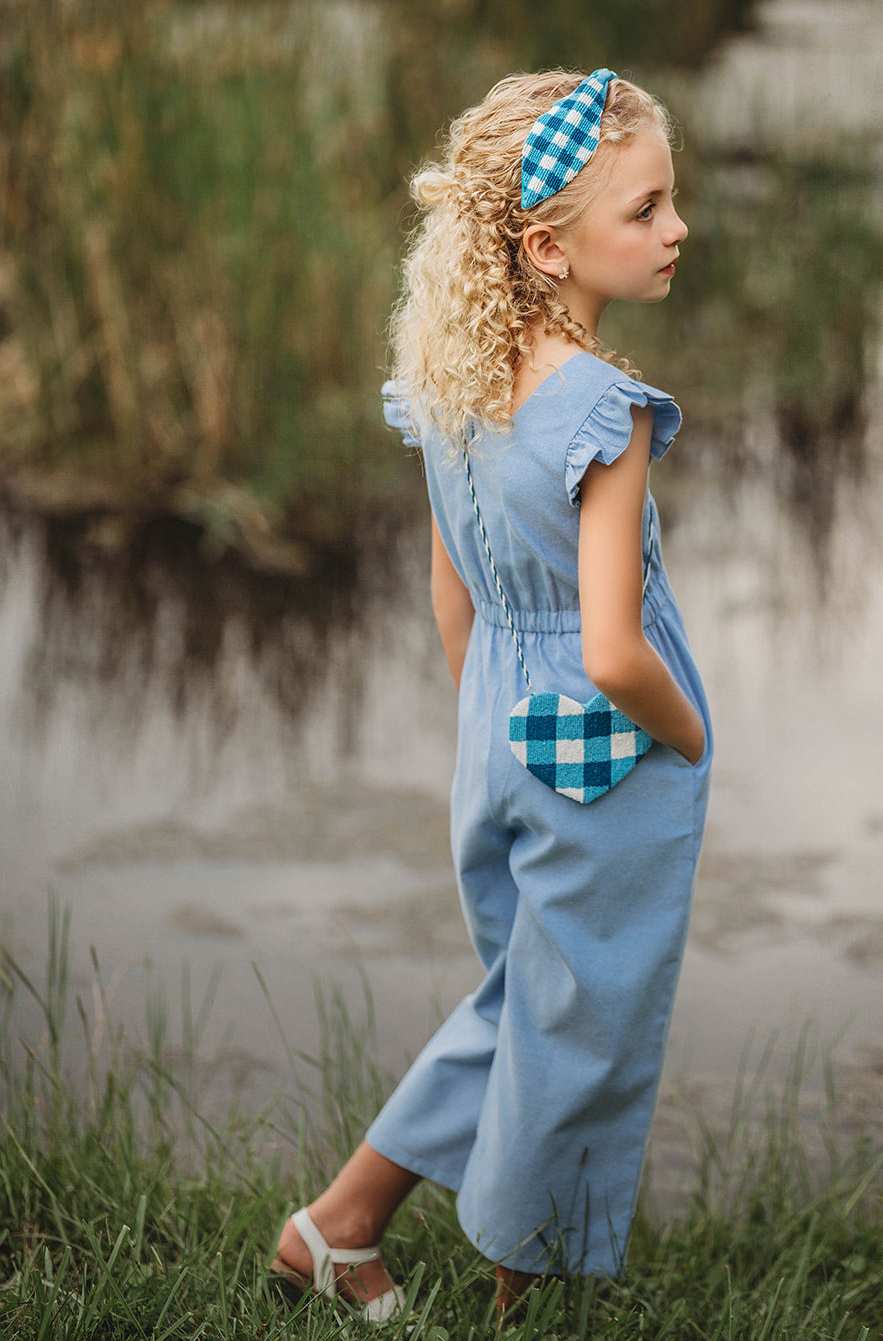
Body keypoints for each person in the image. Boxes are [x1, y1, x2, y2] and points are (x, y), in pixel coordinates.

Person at [269, 68, 713, 1322]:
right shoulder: (603, 413)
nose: (675, 229)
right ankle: (515, 1287)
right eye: (645, 209)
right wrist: (686, 737)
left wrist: (496, 727)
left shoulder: (454, 379)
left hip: (501, 729)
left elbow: (449, 589)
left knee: (528, 992)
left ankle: (347, 1225)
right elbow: (620, 652)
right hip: (610, 749)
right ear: (545, 244)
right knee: (576, 1021)